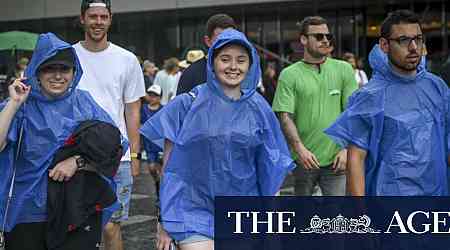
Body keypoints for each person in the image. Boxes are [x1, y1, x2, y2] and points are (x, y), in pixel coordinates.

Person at [141, 29, 294, 250]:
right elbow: (171, 168)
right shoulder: (186, 105)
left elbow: (271, 169)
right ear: (212, 63)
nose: (233, 66)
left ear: (250, 66)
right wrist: (165, 219)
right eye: (225, 59)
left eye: (241, 60)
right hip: (193, 210)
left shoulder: (259, 108)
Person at [0, 32, 120, 250]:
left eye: (64, 69)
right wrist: (13, 104)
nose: (57, 76)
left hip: (75, 210)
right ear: (37, 71)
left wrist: (78, 162)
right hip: (27, 212)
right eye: (49, 68)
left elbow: (113, 150)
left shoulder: (84, 103)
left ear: (74, 72)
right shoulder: (21, 105)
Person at [325, 10, 450, 196]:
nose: (414, 47)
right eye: (403, 40)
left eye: (418, 38)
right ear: (384, 45)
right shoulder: (370, 97)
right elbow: (356, 159)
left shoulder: (437, 87)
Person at [73, 0, 146, 249]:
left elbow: (133, 110)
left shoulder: (126, 60)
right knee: (76, 225)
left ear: (110, 19)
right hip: (74, 155)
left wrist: (135, 155)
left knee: (111, 225)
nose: (98, 22)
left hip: (117, 158)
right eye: (93, 16)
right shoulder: (68, 57)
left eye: (103, 16)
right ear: (82, 18)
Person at [272, 16, 358, 196]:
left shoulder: (344, 69)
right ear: (303, 39)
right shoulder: (289, 75)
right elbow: (285, 116)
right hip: (304, 160)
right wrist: (300, 150)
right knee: (304, 218)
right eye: (318, 36)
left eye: (328, 36)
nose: (325, 40)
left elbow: (353, 113)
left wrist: (346, 149)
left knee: (336, 218)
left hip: (337, 160)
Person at [176, 14, 237, 95]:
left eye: (230, 39)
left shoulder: (242, 71)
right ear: (208, 41)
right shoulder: (191, 74)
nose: (226, 45)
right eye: (220, 40)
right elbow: (180, 106)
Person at [140, 85, 163, 198]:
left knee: (162, 170)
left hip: (161, 146)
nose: (152, 98)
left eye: (155, 96)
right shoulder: (143, 109)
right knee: (152, 168)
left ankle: (161, 195)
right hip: (149, 146)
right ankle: (157, 182)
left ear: (159, 98)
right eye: (150, 95)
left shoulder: (164, 109)